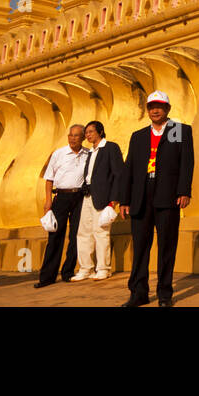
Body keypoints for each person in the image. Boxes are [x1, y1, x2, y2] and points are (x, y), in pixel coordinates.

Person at [117, 90, 194, 307]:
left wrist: (184, 191)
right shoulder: (138, 136)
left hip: (167, 195)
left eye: (159, 106)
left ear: (167, 109)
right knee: (140, 247)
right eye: (151, 106)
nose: (155, 110)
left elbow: (186, 163)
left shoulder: (177, 130)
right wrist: (124, 200)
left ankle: (164, 294)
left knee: (166, 246)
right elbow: (129, 168)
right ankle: (138, 293)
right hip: (140, 196)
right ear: (147, 110)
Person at [36, 124, 88, 287]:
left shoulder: (88, 154)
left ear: (83, 138)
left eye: (76, 136)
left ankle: (68, 272)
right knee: (55, 236)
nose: (72, 138)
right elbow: (49, 178)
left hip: (80, 197)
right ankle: (47, 277)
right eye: (70, 135)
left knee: (76, 235)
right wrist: (48, 201)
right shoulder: (59, 154)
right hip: (61, 196)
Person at [73, 120, 124, 282]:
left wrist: (114, 200)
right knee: (83, 233)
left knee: (101, 232)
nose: (88, 135)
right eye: (86, 132)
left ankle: (103, 268)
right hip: (87, 196)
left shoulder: (110, 147)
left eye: (91, 132)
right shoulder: (90, 152)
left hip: (103, 197)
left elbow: (118, 174)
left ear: (100, 132)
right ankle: (85, 268)